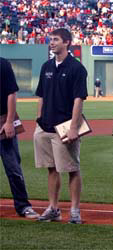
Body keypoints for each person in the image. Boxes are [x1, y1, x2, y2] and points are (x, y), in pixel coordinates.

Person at [33, 28, 88, 224]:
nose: (52, 42)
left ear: (67, 42)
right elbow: (41, 95)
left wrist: (74, 127)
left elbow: (78, 99)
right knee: (51, 168)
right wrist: (39, 118)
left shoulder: (77, 68)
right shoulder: (46, 66)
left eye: (55, 39)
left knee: (72, 168)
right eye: (50, 39)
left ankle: (74, 210)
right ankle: (53, 208)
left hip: (65, 126)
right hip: (45, 126)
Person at [0, 57, 39, 219]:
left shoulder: (2, 64)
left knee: (13, 167)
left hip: (2, 120)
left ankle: (23, 206)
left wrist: (9, 121)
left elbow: (11, 93)